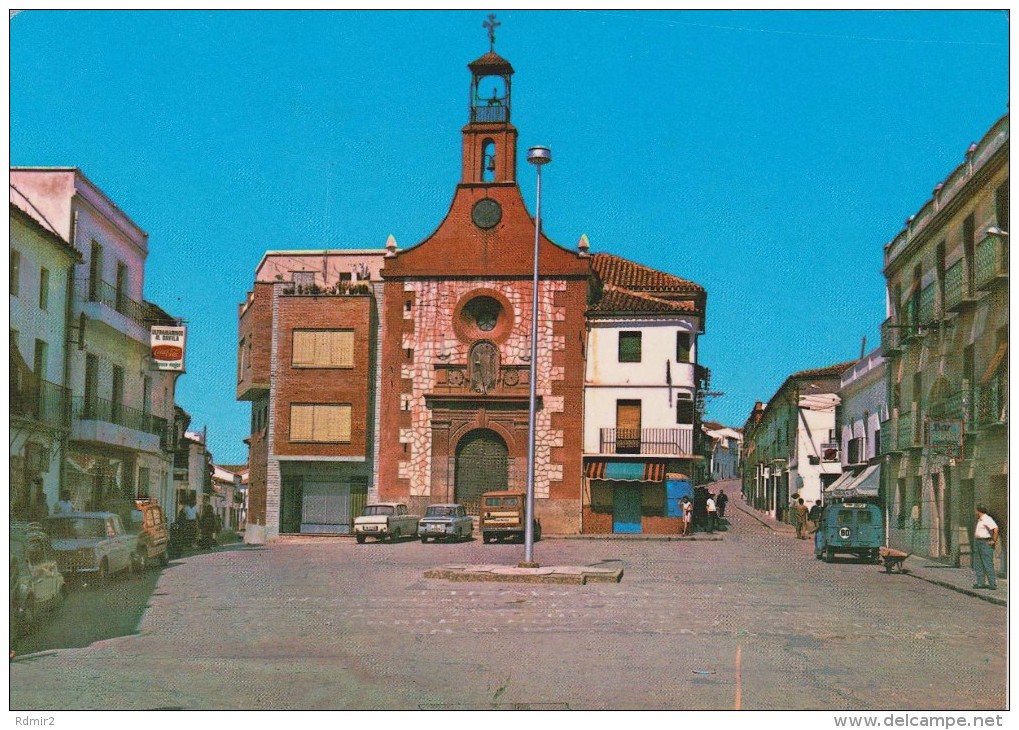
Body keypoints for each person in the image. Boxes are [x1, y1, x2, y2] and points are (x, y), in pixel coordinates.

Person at [972, 505, 999, 590]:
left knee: (987, 563)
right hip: (979, 542)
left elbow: (995, 528)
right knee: (978, 563)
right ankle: (980, 583)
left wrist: (994, 540)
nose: (975, 512)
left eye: (976, 511)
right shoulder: (980, 520)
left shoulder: (987, 519)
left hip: (985, 542)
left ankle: (992, 584)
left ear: (979, 511)